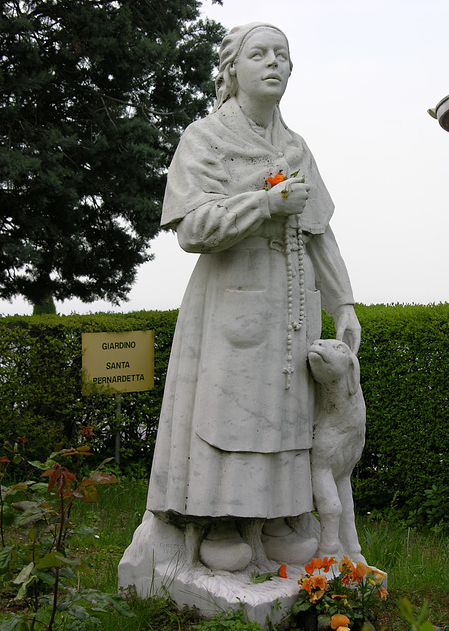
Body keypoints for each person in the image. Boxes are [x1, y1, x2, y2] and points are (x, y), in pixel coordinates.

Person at [145, 22, 361, 572]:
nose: (274, 63)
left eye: (282, 55)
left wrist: (343, 303)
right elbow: (192, 228)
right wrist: (264, 204)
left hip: (292, 307)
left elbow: (319, 230)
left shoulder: (296, 147)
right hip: (229, 300)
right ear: (232, 69)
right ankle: (222, 521)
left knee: (288, 412)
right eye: (259, 54)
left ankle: (280, 518)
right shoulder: (206, 137)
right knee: (230, 411)